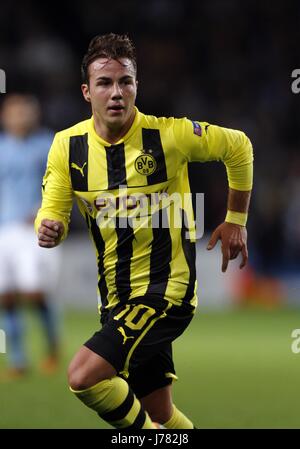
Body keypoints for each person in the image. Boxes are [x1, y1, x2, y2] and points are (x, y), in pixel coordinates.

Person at [35, 33, 253, 429]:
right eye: (104, 83)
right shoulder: (67, 147)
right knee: (161, 414)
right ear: (87, 92)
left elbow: (238, 147)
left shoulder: (169, 135)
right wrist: (50, 227)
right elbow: (53, 211)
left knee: (83, 376)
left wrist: (236, 219)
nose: (116, 92)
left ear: (137, 87)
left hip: (167, 292)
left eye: (125, 81)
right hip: (116, 299)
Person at [0, 94, 60, 378]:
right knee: (5, 296)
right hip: (3, 230)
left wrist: (42, 209)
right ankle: (18, 358)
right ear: (5, 116)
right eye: (15, 112)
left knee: (34, 292)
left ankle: (52, 345)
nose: (21, 117)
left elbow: (60, 183)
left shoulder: (48, 144)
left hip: (32, 229)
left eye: (26, 112)